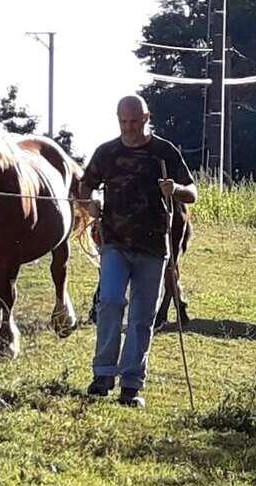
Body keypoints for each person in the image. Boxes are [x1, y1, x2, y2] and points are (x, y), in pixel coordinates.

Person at [80, 95, 197, 407]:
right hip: (114, 243)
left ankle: (131, 384)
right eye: (123, 122)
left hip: (153, 246)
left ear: (147, 117)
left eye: (134, 121)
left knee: (142, 316)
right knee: (110, 301)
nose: (129, 127)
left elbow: (192, 192)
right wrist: (89, 204)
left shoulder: (164, 152)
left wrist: (176, 190)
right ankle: (103, 374)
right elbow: (83, 187)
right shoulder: (106, 153)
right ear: (118, 119)